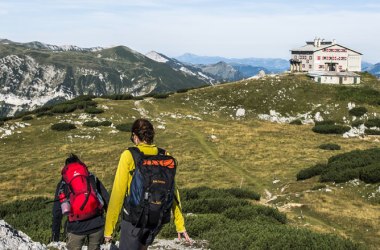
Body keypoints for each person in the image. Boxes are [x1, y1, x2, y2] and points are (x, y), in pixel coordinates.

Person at [104, 118, 190, 250]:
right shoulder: (165, 155)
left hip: (134, 219)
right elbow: (172, 191)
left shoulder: (129, 155)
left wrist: (109, 229)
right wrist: (180, 224)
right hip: (156, 218)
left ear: (135, 137)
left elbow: (117, 193)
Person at [52, 154, 109, 250]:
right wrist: (109, 228)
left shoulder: (63, 183)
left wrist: (55, 236)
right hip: (96, 224)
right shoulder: (91, 177)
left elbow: (57, 211)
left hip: (75, 227)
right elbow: (107, 200)